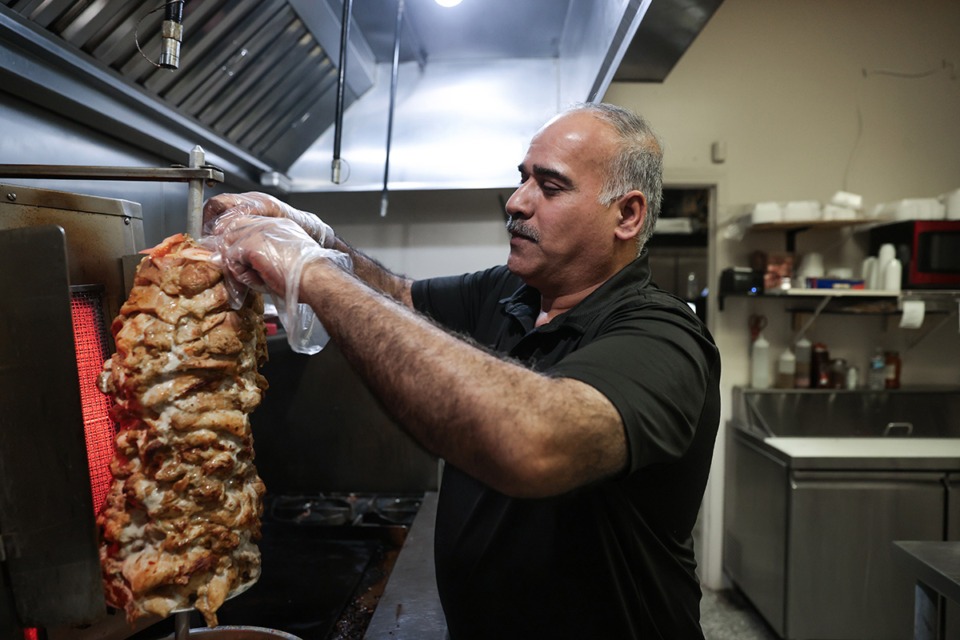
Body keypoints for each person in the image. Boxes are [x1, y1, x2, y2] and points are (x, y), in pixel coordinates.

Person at [203, 102, 721, 640]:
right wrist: (317, 239)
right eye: (522, 180)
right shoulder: (510, 293)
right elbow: (400, 297)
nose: (516, 203)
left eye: (551, 186)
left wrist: (309, 274)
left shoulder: (663, 338)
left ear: (627, 215)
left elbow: (533, 444)